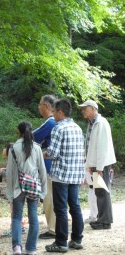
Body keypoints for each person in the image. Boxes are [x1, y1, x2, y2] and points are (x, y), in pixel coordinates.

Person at [45, 98, 85, 253]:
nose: (53, 114)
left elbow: (53, 153)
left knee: (60, 209)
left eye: (54, 111)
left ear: (60, 112)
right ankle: (76, 239)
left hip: (61, 175)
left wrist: (42, 154)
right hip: (75, 174)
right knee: (75, 206)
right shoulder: (77, 128)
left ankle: (61, 242)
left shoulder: (58, 128)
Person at [6, 121, 47, 255]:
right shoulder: (37, 148)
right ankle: (31, 249)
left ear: (19, 131)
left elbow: (10, 173)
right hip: (34, 187)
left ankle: (17, 247)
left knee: (17, 217)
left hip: (18, 187)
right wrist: (43, 192)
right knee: (33, 217)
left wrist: (10, 193)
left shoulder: (13, 148)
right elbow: (42, 170)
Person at [78, 100, 116, 230]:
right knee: (99, 191)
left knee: (102, 191)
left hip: (102, 164)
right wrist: (90, 164)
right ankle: (102, 218)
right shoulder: (92, 123)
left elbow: (102, 147)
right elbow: (90, 146)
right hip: (96, 164)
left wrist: (99, 166)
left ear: (94, 109)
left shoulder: (101, 123)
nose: (83, 111)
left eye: (85, 109)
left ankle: (105, 221)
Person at [33, 94, 56, 239]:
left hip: (49, 165)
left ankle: (53, 229)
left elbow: (33, 136)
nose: (38, 107)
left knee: (49, 197)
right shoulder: (56, 121)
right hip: (55, 165)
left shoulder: (50, 122)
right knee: (54, 197)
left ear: (47, 106)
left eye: (40, 104)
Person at [0, 143, 26, 237]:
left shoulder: (12, 158)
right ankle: (21, 226)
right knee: (18, 209)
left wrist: (3, 172)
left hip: (14, 189)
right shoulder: (18, 158)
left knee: (13, 210)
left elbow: (10, 174)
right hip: (21, 188)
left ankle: (14, 229)